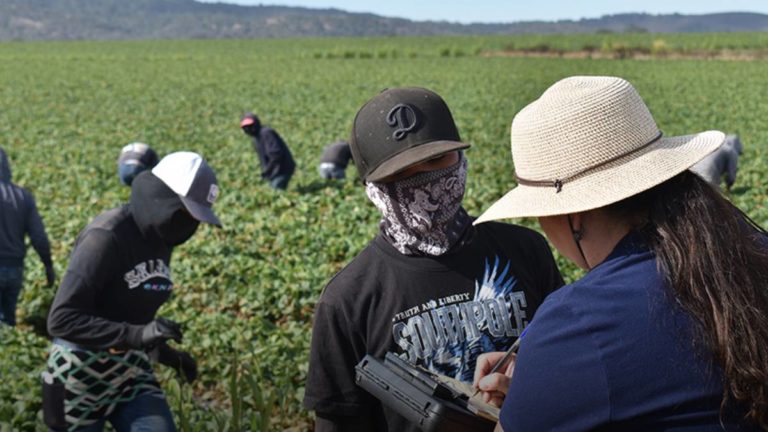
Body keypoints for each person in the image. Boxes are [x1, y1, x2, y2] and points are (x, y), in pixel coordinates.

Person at [473, 76, 768, 431]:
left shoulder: (578, 322)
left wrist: (549, 370)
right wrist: (547, 375)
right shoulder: (749, 249)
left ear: (571, 216)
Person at [303, 87, 564, 432]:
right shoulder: (348, 298)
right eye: (399, 174)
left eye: (435, 161)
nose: (423, 181)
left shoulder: (526, 250)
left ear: (460, 159)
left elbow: (569, 361)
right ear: (372, 187)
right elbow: (338, 422)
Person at [44, 151, 222, 431]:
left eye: (195, 217)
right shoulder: (106, 237)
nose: (190, 224)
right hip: (78, 373)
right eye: (185, 212)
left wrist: (170, 356)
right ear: (161, 198)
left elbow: (129, 312)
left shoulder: (161, 237)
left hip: (130, 371)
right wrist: (138, 335)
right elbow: (61, 320)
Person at [0, 147, 55, 326]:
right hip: (15, 268)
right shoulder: (23, 196)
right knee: (7, 321)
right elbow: (38, 236)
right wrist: (48, 265)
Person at [240, 112, 296, 190]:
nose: (248, 128)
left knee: (276, 191)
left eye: (250, 125)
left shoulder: (266, 133)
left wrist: (268, 170)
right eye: (245, 127)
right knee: (275, 190)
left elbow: (276, 154)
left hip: (282, 169)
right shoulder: (256, 137)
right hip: (274, 171)